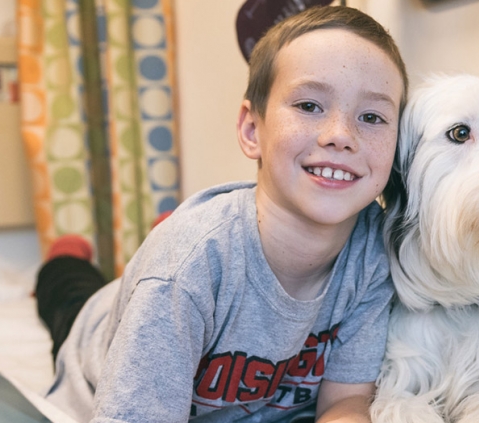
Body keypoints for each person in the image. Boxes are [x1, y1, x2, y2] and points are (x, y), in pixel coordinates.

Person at [35, 6, 408, 422]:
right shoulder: (187, 267)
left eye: (372, 116)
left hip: (184, 275)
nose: (341, 135)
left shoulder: (374, 255)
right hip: (106, 331)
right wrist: (182, 258)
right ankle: (64, 258)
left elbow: (344, 401)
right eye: (309, 105)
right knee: (70, 297)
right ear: (252, 131)